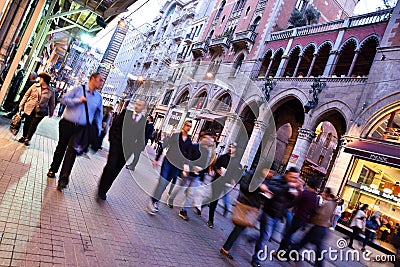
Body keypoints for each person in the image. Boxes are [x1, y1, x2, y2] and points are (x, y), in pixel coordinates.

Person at [46, 72, 104, 191]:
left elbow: (98, 116)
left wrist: (98, 133)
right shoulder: (78, 89)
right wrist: (78, 100)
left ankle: (63, 180)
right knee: (61, 147)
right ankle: (53, 169)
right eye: (100, 80)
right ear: (92, 79)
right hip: (67, 123)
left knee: (71, 152)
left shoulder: (98, 97)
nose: (101, 82)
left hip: (81, 129)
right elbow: (63, 100)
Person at [220, 167, 275, 260]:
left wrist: (267, 193)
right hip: (245, 205)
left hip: (254, 208)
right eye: (269, 171)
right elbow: (244, 187)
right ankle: (226, 248)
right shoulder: (252, 174)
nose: (270, 174)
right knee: (239, 228)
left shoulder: (268, 180)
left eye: (272, 172)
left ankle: (228, 246)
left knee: (241, 228)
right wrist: (259, 187)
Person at [97, 99, 146, 200]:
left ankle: (105, 189)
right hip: (116, 145)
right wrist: (113, 141)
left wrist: (135, 149)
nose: (137, 106)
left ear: (143, 108)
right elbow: (114, 126)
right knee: (111, 166)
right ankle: (101, 189)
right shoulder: (126, 113)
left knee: (116, 170)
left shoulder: (143, 121)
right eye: (136, 104)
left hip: (127, 151)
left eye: (140, 105)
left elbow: (141, 137)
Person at [251, 167, 300, 267]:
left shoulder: (292, 187)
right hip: (268, 212)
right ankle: (256, 259)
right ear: (286, 174)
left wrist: (296, 195)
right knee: (266, 236)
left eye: (296, 178)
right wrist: (287, 187)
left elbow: (290, 205)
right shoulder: (277, 179)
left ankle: (253, 238)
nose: (293, 179)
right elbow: (272, 189)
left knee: (267, 236)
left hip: (278, 215)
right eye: (292, 177)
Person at [147, 120, 193, 215]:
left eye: (190, 127)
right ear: (183, 126)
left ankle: (155, 200)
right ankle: (153, 202)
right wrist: (157, 159)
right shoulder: (176, 136)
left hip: (177, 166)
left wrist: (186, 167)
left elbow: (188, 155)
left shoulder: (189, 141)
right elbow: (164, 146)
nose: (188, 128)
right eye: (187, 125)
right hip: (168, 162)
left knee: (165, 184)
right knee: (162, 182)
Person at [168, 132, 215, 221]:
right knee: (180, 187)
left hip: (196, 176)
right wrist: (191, 166)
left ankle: (184, 211)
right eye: (207, 139)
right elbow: (187, 157)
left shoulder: (206, 152)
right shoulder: (194, 146)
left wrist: (201, 175)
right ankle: (171, 199)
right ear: (202, 139)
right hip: (188, 172)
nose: (209, 142)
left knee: (191, 193)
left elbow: (205, 165)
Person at [289, 188, 337, 267]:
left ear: (327, 194)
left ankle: (288, 254)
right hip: (322, 229)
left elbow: (320, 215)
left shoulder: (327, 204)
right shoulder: (332, 204)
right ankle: (289, 254)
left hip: (318, 228)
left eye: (324, 192)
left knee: (302, 243)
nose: (322, 193)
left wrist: (312, 216)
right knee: (315, 248)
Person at [277, 177, 319, 255]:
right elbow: (314, 210)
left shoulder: (305, 193)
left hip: (298, 217)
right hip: (304, 220)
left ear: (309, 185)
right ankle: (288, 251)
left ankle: (281, 252)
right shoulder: (315, 197)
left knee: (287, 234)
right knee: (291, 234)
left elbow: (295, 202)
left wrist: (288, 207)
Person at [207, 142, 242, 229]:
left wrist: (234, 180)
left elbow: (236, 173)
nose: (230, 149)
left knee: (213, 199)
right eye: (229, 147)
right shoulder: (223, 157)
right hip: (217, 182)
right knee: (214, 200)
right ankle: (210, 220)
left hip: (226, 184)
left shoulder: (236, 161)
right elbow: (214, 165)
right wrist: (217, 170)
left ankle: (201, 205)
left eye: (232, 147)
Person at [17, 72, 55, 146]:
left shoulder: (51, 91)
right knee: (27, 123)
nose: (39, 79)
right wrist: (21, 105)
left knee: (33, 124)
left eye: (41, 78)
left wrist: (51, 112)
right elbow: (26, 95)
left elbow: (52, 103)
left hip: (41, 110)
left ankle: (28, 139)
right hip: (30, 107)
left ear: (44, 80)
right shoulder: (35, 86)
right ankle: (24, 136)